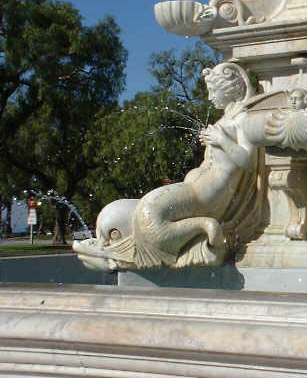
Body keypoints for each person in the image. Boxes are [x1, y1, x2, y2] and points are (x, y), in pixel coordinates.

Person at [74, 63, 260, 271]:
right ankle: (113, 248)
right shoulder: (225, 119)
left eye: (213, 91)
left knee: (150, 215)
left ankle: (118, 255)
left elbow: (248, 161)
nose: (209, 97)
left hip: (206, 196)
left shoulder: (243, 119)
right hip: (195, 189)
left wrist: (221, 140)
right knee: (145, 215)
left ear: (229, 89)